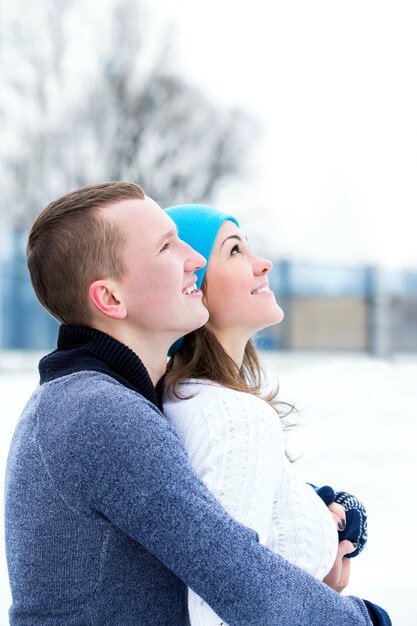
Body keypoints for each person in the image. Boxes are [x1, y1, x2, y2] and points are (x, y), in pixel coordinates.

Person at [4, 182, 390, 626]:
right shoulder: (100, 413)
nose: (195, 259)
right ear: (110, 298)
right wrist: (366, 619)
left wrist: (319, 518)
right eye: (167, 247)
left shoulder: (91, 401)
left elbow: (203, 516)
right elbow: (237, 577)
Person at [163, 204, 383, 625]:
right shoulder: (235, 419)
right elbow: (220, 606)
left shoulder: (186, 402)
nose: (263, 265)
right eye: (234, 251)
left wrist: (319, 510)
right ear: (193, 286)